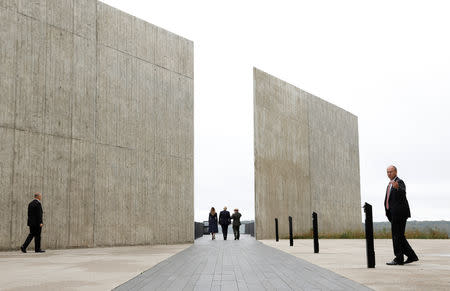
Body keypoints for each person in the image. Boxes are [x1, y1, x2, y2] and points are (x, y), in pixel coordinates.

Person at [384, 165, 418, 265]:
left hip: (399, 214)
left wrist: (398, 188)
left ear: (396, 172)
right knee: (399, 236)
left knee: (396, 236)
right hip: (393, 214)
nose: (389, 173)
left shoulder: (399, 182)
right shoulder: (389, 184)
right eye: (387, 172)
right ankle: (412, 256)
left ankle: (399, 258)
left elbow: (402, 191)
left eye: (391, 171)